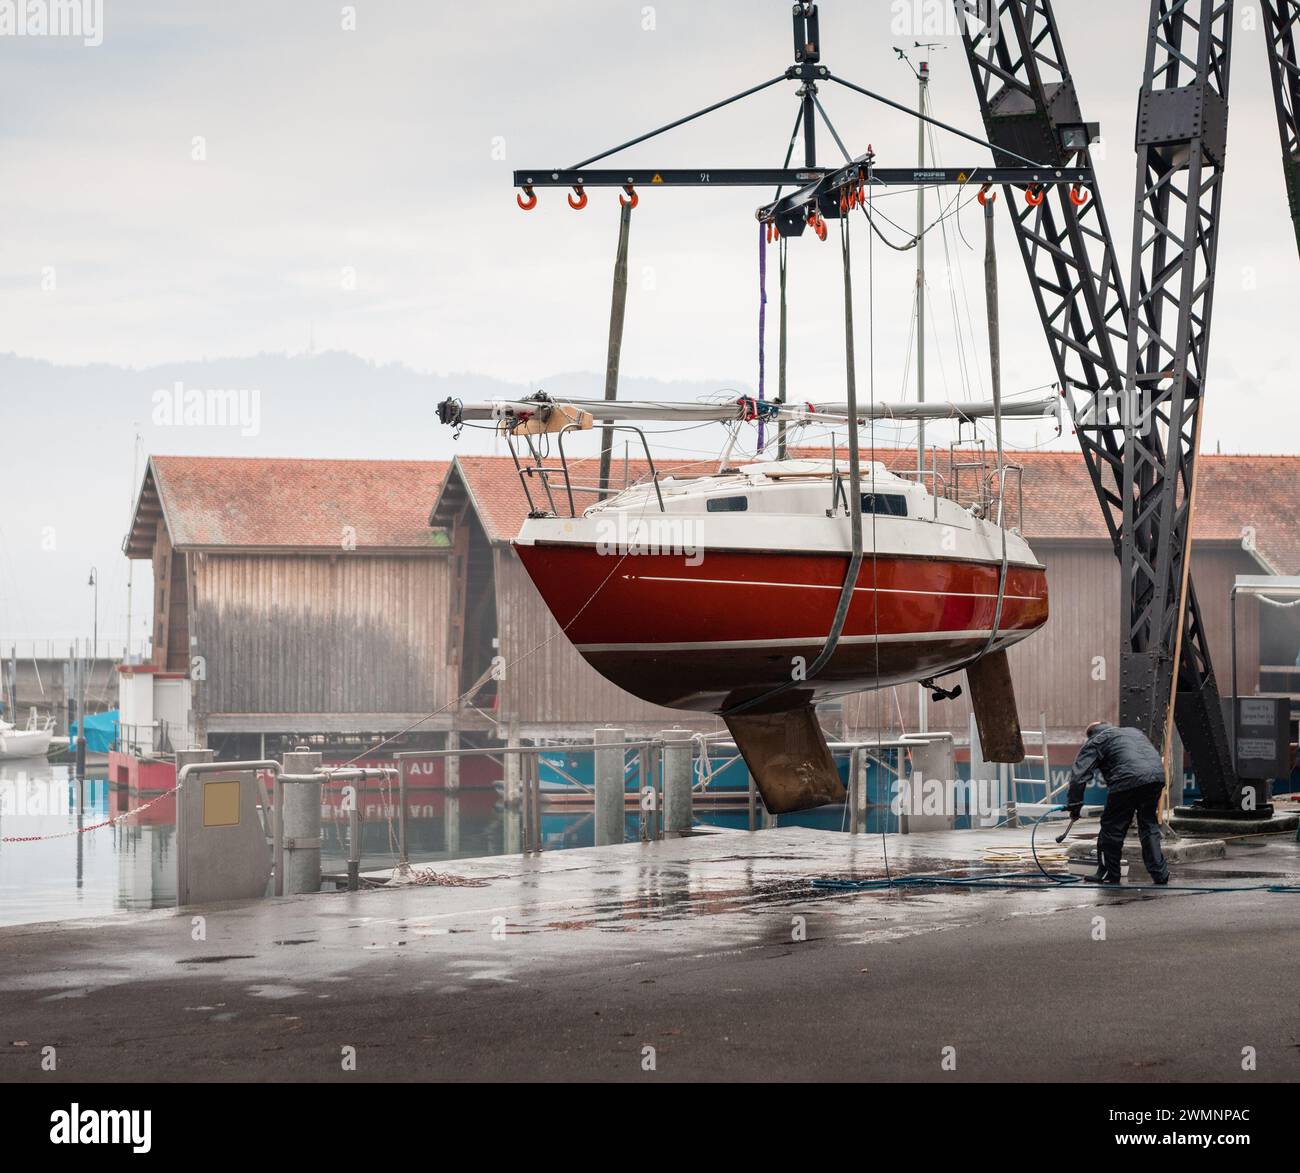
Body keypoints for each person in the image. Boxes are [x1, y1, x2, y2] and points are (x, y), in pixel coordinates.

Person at [1066, 721, 1170, 885]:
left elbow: (1079, 776)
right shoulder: (1134, 731)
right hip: (1156, 777)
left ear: (1091, 734)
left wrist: (1074, 806)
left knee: (1112, 828)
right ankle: (1160, 874)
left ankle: (1109, 873)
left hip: (1126, 780)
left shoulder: (1096, 740)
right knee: (1149, 825)